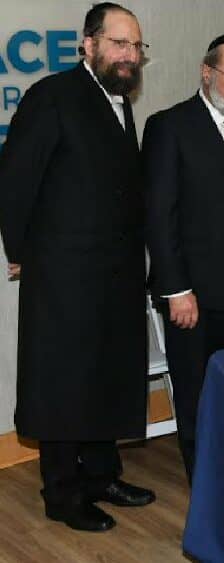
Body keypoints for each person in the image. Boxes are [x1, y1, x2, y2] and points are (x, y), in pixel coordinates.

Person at [0, 3, 154, 532]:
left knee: (106, 377)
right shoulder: (53, 96)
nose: (129, 56)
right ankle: (63, 494)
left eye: (136, 47)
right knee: (64, 384)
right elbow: (15, 181)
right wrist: (23, 253)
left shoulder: (118, 103)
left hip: (114, 276)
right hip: (65, 276)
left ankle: (101, 475)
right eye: (119, 44)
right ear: (87, 45)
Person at [142, 35, 224, 482]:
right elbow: (160, 217)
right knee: (199, 394)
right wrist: (177, 290)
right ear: (207, 72)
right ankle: (206, 483)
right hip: (195, 294)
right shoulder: (170, 127)